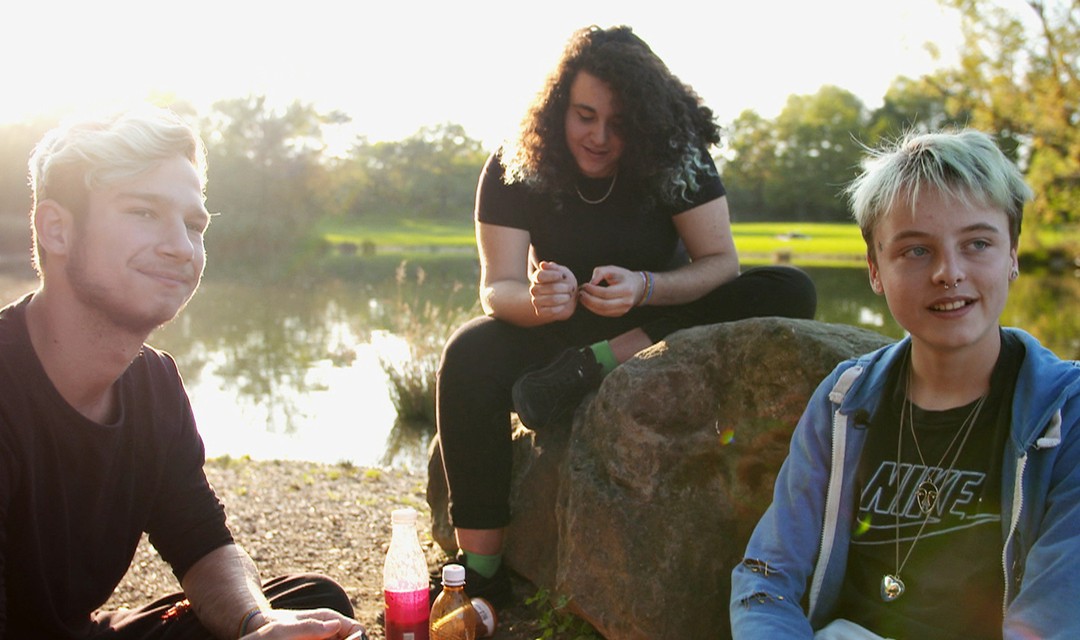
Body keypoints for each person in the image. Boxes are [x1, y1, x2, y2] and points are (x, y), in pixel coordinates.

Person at [434, 24, 817, 606]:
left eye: (619, 123)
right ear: (560, 106)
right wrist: (540, 303)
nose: (600, 136)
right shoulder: (517, 162)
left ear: (645, 122)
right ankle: (482, 573)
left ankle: (600, 364)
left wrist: (646, 287)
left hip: (660, 328)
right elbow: (499, 288)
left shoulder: (676, 158)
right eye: (585, 115)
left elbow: (720, 265)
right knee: (468, 353)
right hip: (556, 335)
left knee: (788, 288)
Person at [0, 108, 366, 640]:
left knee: (312, 609)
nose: (180, 246)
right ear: (56, 229)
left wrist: (255, 624)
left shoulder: (153, 384)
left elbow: (200, 539)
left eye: (194, 225)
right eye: (143, 212)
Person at [729, 129, 1080, 639]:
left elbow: (1056, 614)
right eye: (916, 251)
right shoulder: (843, 401)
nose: (948, 272)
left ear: (1013, 255)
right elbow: (767, 575)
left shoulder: (1065, 413)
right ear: (875, 270)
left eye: (977, 243)